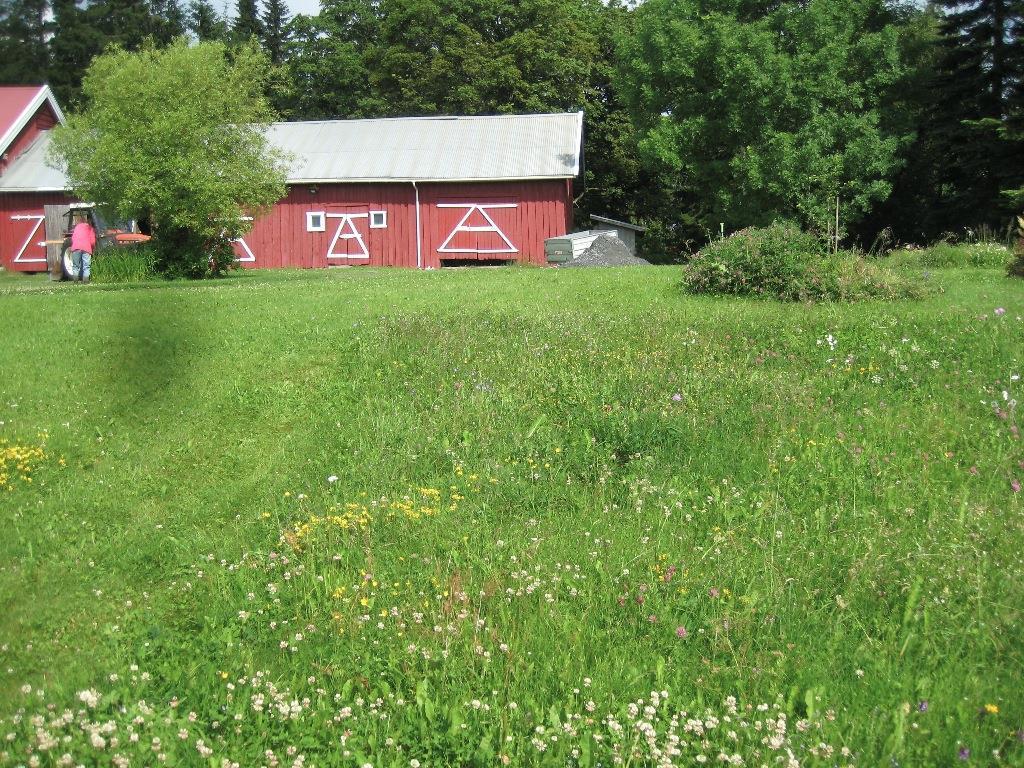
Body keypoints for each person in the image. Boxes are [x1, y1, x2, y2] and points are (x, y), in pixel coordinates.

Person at [70, 212, 96, 284]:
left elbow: (73, 238)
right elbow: (92, 242)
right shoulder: (90, 228)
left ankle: (75, 282)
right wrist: (93, 248)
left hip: (76, 247)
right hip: (86, 248)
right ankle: (86, 282)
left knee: (76, 266)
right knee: (86, 266)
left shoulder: (77, 227)